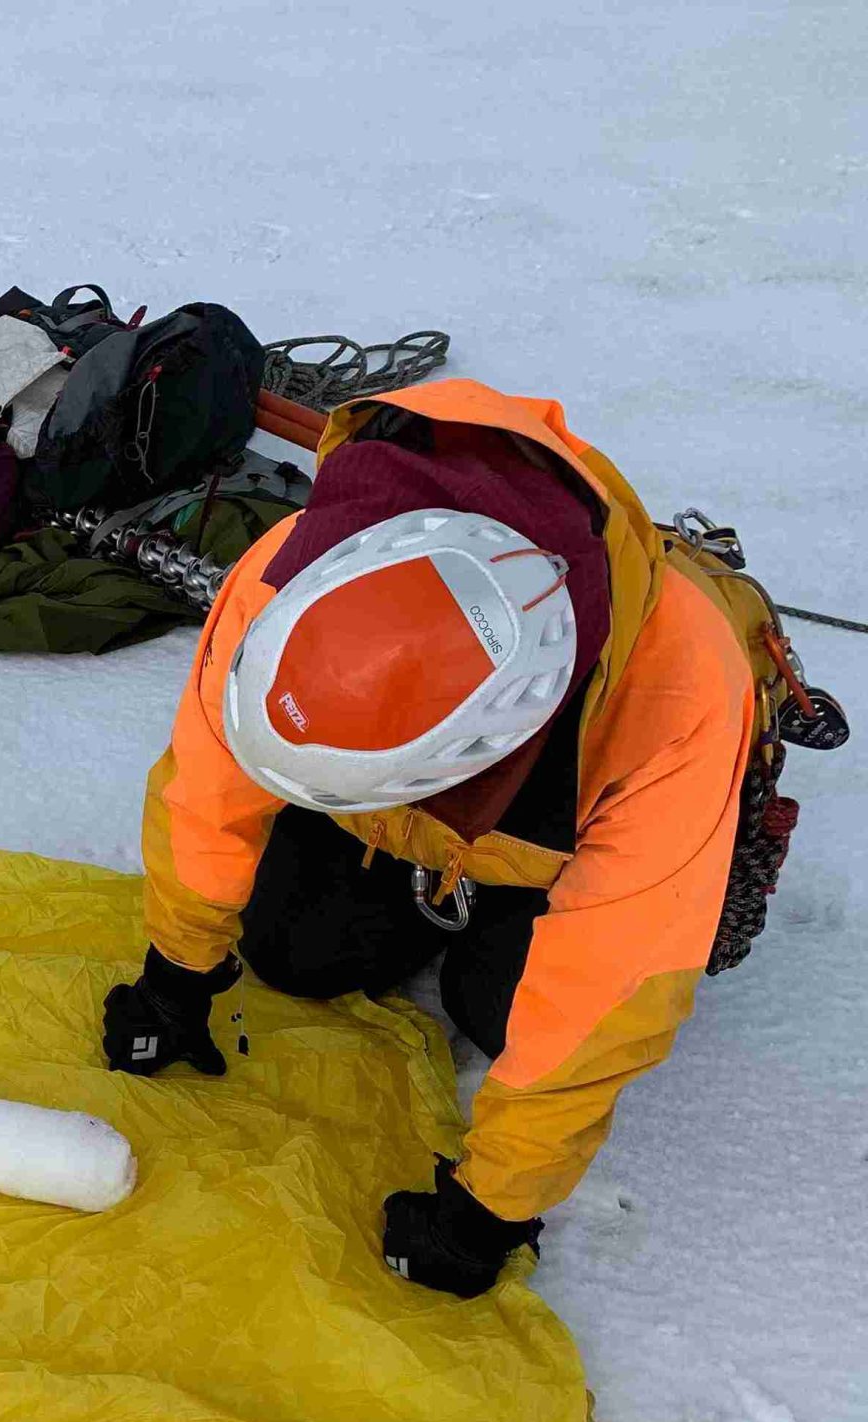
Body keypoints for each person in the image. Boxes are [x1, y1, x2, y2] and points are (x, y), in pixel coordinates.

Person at [102, 380, 752, 1296]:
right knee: (290, 951)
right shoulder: (296, 572)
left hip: (545, 862)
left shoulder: (678, 699)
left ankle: (477, 922)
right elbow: (209, 790)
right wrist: (177, 969)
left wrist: (490, 1209)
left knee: (503, 1014)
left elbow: (615, 988)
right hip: (388, 828)